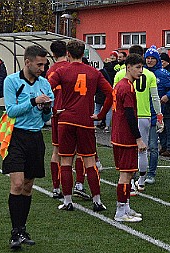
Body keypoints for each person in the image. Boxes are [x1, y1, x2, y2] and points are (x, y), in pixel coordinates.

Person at [48, 39, 113, 212]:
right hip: (85, 121)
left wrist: (54, 109)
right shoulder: (94, 72)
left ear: (68, 54)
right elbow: (110, 94)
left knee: (66, 161)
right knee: (89, 160)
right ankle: (97, 201)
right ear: (84, 53)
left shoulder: (61, 71)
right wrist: (99, 115)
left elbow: (46, 89)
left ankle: (68, 201)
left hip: (66, 120)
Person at [2, 45, 54, 250]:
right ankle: (15, 233)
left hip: (35, 138)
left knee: (28, 186)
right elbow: (11, 111)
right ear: (27, 62)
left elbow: (47, 118)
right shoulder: (12, 81)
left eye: (44, 64)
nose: (42, 68)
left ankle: (22, 229)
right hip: (16, 137)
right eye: (39, 64)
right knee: (16, 184)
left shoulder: (45, 84)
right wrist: (33, 101)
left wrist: (47, 109)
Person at [114, 45, 163, 192]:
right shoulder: (150, 75)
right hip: (144, 116)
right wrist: (160, 116)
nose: (140, 70)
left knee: (132, 150)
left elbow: (114, 98)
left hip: (126, 117)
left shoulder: (120, 75)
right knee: (142, 150)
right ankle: (141, 181)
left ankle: (131, 179)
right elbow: (155, 98)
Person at [112, 53, 147, 222]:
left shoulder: (123, 85)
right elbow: (129, 115)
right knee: (125, 175)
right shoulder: (126, 87)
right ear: (128, 67)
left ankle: (125, 207)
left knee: (128, 173)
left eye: (142, 67)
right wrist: (138, 138)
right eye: (138, 67)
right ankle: (120, 212)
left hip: (119, 134)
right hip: (124, 136)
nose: (141, 71)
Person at [144, 46, 170, 183]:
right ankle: (137, 172)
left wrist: (167, 96)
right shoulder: (140, 72)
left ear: (157, 60)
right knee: (139, 146)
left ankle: (151, 173)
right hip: (141, 115)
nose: (150, 60)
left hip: (154, 116)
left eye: (153, 58)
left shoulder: (162, 73)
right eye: (148, 58)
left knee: (153, 146)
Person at [46, 40, 69, 199]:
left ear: (53, 54)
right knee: (78, 153)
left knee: (56, 151)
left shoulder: (50, 71)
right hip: (72, 113)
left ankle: (56, 186)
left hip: (57, 113)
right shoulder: (72, 68)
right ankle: (79, 184)